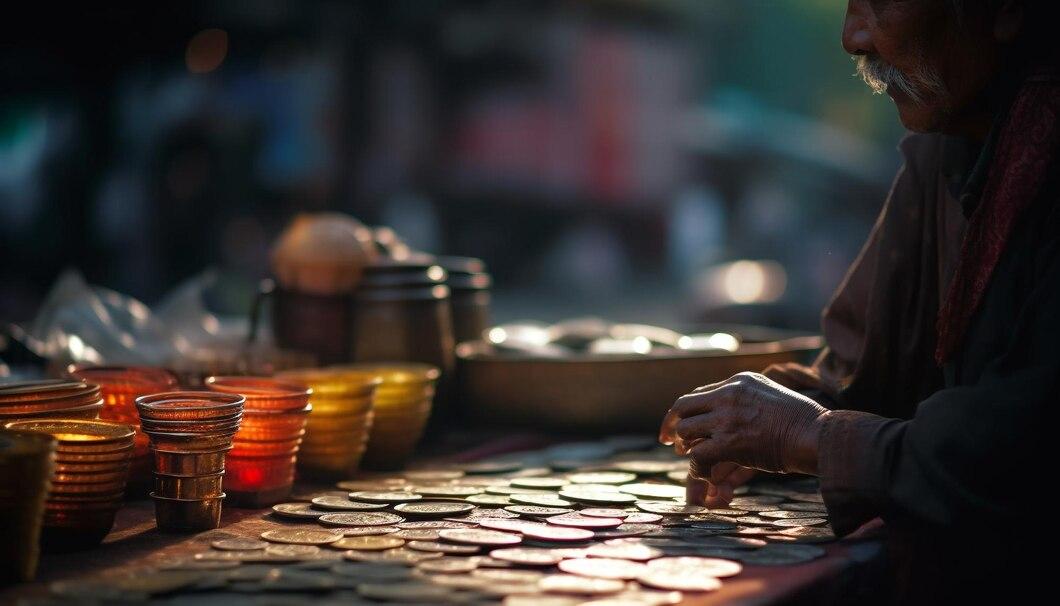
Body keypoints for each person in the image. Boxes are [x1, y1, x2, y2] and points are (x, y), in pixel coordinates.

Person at [659, 0, 1058, 600]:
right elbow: (865, 371)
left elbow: (1020, 455)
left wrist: (811, 436)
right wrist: (775, 419)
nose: (853, 37)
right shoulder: (947, 142)